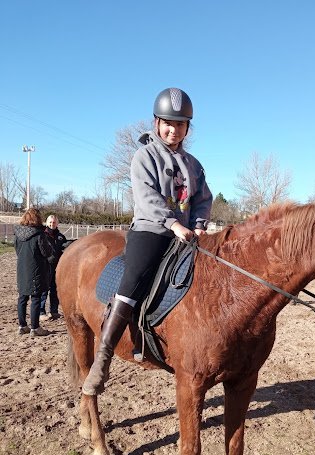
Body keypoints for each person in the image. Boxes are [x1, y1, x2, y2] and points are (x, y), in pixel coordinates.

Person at [82, 87, 213, 395]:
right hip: (151, 230)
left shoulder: (194, 164)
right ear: (157, 123)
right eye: (168, 122)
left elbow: (203, 198)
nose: (174, 129)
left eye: (180, 124)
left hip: (188, 234)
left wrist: (198, 224)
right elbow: (147, 196)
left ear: (187, 128)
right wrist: (173, 224)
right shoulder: (144, 156)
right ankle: (103, 357)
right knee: (133, 278)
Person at [14, 208, 53, 337]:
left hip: (22, 268)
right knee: (35, 297)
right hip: (36, 269)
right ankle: (35, 327)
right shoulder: (39, 234)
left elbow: (17, 250)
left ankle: (22, 325)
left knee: (22, 297)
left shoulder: (17, 234)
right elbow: (46, 252)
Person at [40, 214, 67, 320]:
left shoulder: (60, 236)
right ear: (47, 223)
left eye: (54, 222)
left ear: (57, 223)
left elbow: (64, 245)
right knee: (44, 289)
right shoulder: (43, 235)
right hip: (46, 266)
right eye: (50, 222)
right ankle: (41, 312)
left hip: (57, 266)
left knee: (54, 289)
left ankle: (54, 311)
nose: (52, 224)